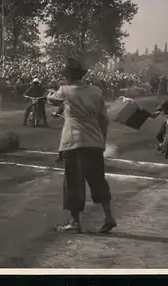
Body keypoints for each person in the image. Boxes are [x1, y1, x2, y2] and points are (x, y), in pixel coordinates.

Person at [47, 57, 116, 234]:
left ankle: (74, 221)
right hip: (94, 140)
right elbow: (103, 118)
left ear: (68, 76)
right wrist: (102, 138)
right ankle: (108, 216)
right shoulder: (95, 91)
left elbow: (51, 100)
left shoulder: (65, 90)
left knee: (73, 182)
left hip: (74, 141)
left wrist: (49, 92)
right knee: (98, 180)